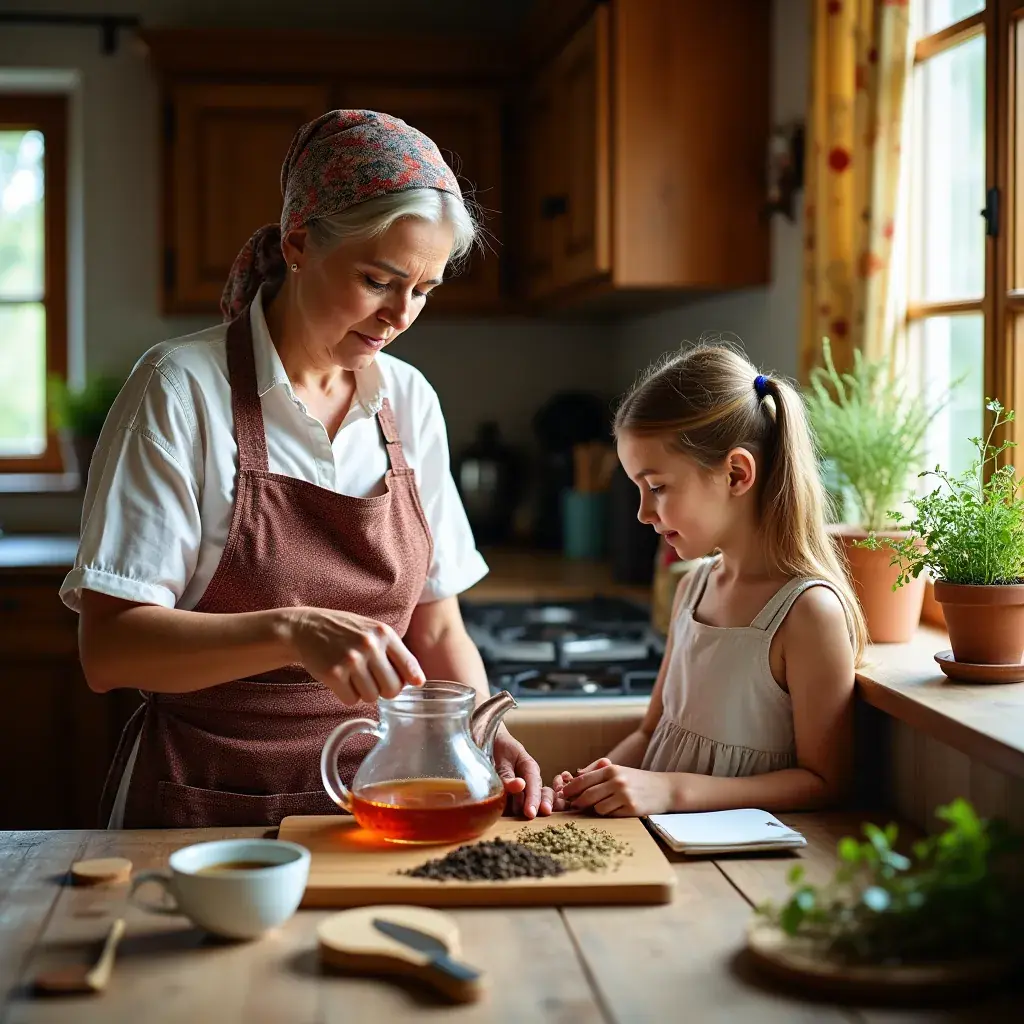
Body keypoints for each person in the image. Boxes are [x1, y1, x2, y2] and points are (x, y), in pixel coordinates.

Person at [60, 110, 552, 828]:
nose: (400, 315)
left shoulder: (409, 399)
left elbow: (438, 628)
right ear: (297, 242)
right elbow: (109, 649)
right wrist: (290, 631)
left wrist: (475, 736)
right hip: (202, 800)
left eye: (424, 289)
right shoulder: (181, 388)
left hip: (377, 802)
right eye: (378, 280)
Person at [552, 343, 865, 817]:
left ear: (736, 473)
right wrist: (588, 784)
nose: (642, 513)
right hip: (657, 836)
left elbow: (825, 782)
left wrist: (671, 792)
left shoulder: (807, 614)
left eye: (657, 487)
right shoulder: (691, 589)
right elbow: (650, 733)